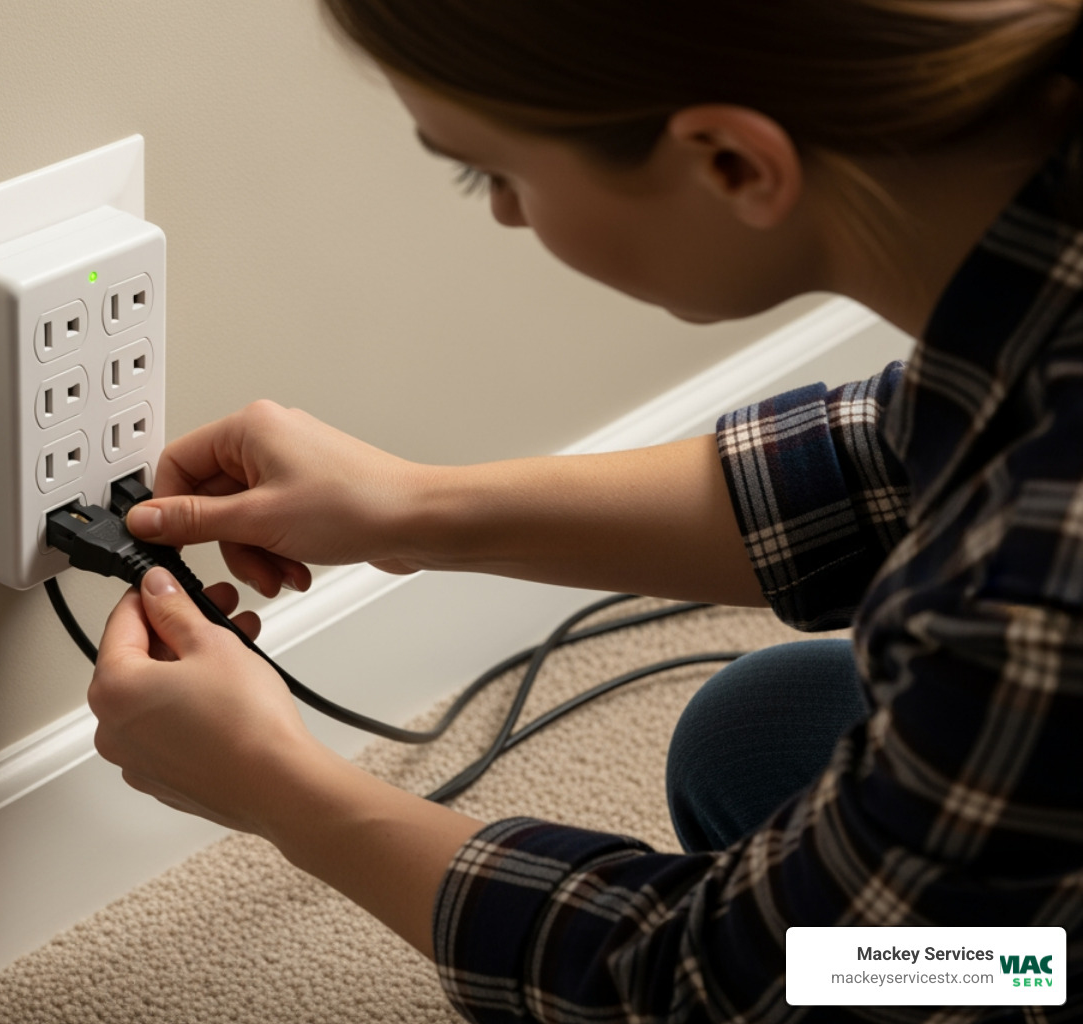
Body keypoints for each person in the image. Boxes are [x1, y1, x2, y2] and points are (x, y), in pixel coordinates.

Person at [84, 1, 1083, 1020]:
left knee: (883, 964)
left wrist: (281, 787)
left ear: (733, 163)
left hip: (1040, 955)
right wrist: (413, 509)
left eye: (493, 175)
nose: (507, 215)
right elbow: (882, 464)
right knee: (757, 734)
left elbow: (705, 986)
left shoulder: (1037, 570)